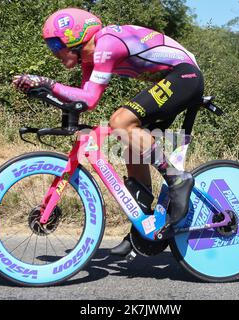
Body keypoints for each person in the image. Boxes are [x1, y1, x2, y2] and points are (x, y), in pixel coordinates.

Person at [13, 8, 204, 256]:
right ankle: (143, 225)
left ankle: (177, 179)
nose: (53, 52)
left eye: (55, 43)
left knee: (120, 122)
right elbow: (83, 100)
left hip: (185, 75)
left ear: (74, 37)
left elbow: (89, 100)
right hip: (171, 78)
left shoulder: (107, 44)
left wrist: (49, 83)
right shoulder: (89, 58)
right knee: (128, 141)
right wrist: (41, 92)